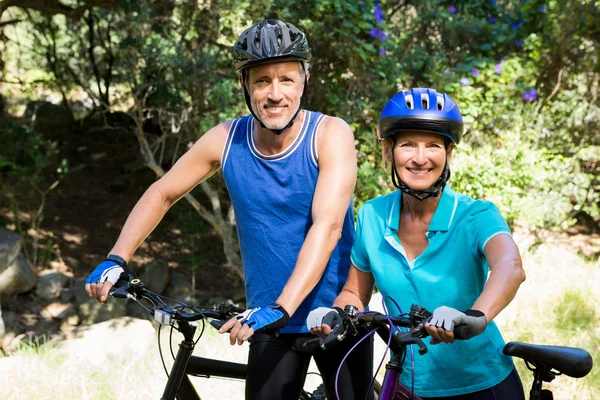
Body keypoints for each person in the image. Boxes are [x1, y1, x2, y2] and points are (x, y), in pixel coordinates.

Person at [84, 19, 373, 400]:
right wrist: (117, 257)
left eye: (286, 79)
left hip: (336, 314)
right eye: (261, 81)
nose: (274, 93)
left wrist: (282, 307)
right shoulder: (226, 139)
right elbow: (163, 192)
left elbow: (329, 226)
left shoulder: (329, 133)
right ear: (245, 86)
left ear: (304, 81)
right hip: (268, 320)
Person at [307, 88, 527, 399]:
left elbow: (510, 266)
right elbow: (356, 291)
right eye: (408, 144)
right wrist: (335, 314)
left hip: (482, 383)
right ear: (389, 151)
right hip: (407, 385)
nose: (420, 158)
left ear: (448, 154)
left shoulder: (475, 214)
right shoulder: (372, 215)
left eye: (433, 145)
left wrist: (475, 317)